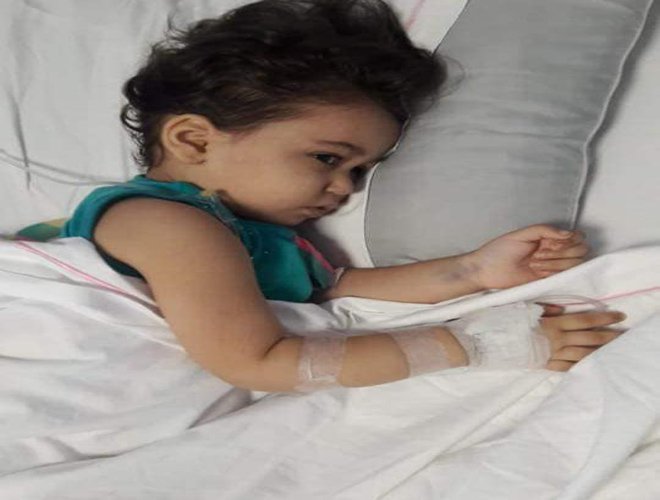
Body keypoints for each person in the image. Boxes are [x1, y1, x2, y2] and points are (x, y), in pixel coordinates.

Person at [45, 0, 626, 392]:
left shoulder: (265, 242)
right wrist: (486, 345)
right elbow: (258, 362)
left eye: (361, 170)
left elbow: (338, 287)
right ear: (194, 140)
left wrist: (473, 270)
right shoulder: (166, 223)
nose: (346, 188)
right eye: (327, 158)